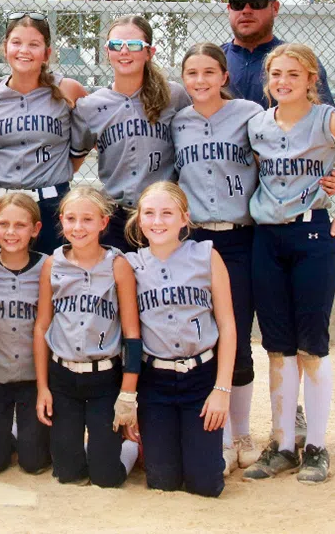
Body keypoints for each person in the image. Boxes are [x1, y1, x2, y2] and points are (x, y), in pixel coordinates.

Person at [241, 43, 335, 484]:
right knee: (277, 345)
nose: (282, 82)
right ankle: (282, 444)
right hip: (267, 236)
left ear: (310, 80)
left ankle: (317, 446)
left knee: (311, 345)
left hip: (312, 233)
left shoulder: (328, 119)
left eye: (293, 75)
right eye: (275, 75)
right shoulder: (257, 124)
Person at [171, 43, 264, 474]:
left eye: (210, 72)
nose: (201, 80)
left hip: (238, 239)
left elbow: (280, 156)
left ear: (224, 77)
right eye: (192, 73)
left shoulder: (248, 113)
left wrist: (324, 178)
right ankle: (219, 434)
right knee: (200, 333)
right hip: (193, 241)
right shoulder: (179, 122)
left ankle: (242, 430)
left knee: (237, 334)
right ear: (183, 79)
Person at [124, 181, 235, 497]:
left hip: (200, 379)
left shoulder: (206, 255)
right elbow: (125, 334)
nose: (157, 221)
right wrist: (129, 397)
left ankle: (210, 451)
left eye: (167, 213)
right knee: (163, 482)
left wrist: (221, 390)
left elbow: (227, 324)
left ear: (184, 219)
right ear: (139, 219)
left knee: (206, 486)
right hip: (154, 382)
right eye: (149, 213)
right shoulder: (130, 265)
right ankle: (139, 448)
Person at [33, 186, 141, 487]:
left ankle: (130, 447)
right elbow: (42, 327)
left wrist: (128, 394)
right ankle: (90, 450)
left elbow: (132, 333)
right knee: (67, 474)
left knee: (106, 478)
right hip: (63, 377)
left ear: (104, 223)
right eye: (70, 219)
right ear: (61, 221)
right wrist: (43, 387)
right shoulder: (52, 265)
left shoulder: (118, 265)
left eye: (87, 219)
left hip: (104, 379)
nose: (78, 227)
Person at [72, 15, 190, 252]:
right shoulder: (90, 106)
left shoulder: (174, 96)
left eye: (134, 45)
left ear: (150, 52)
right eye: (116, 45)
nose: (124, 51)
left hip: (164, 216)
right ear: (107, 51)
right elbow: (73, 160)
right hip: (116, 216)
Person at [0, 12, 88, 254]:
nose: (24, 50)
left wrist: (58, 171)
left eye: (34, 44)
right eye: (16, 43)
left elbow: (82, 146)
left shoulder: (69, 89)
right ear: (5, 48)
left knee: (53, 279)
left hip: (51, 202)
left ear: (47, 52)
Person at [0, 193, 51, 475]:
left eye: (20, 225)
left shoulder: (48, 267)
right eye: (3, 224)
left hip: (33, 377)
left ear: (35, 229)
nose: (11, 232)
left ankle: (20, 430)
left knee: (34, 463)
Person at [222, 0, 335, 107]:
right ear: (229, 9)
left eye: (257, 3)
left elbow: (324, 120)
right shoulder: (213, 61)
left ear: (275, 8)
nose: (246, 10)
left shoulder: (298, 60)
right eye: (238, 4)